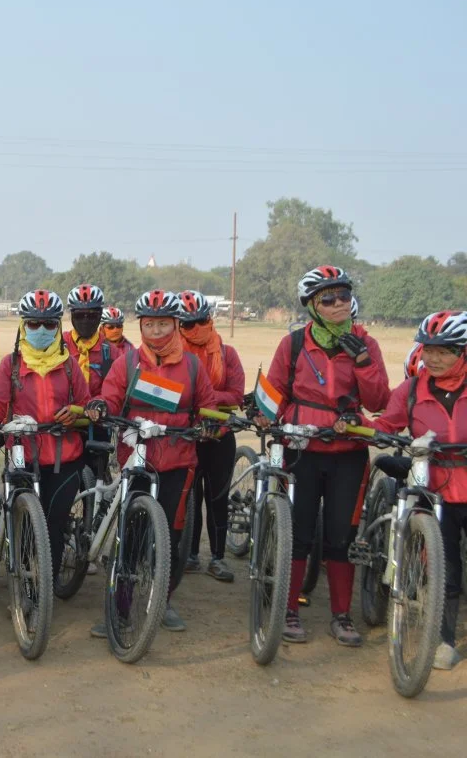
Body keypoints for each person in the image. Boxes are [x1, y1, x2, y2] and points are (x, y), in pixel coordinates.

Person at [257, 266, 389, 647]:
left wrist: (363, 362)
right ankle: (290, 611)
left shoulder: (366, 343)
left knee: (340, 536)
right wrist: (261, 417)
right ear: (312, 306)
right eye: (327, 299)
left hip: (348, 453)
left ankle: (341, 616)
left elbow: (379, 402)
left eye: (343, 297)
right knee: (296, 534)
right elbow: (276, 391)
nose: (337, 305)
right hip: (302, 450)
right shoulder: (294, 344)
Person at [86, 289, 217, 632]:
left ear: (175, 324)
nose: (157, 331)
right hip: (137, 460)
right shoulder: (127, 362)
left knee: (169, 538)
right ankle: (121, 608)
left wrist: (209, 423)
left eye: (163, 324)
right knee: (130, 534)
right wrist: (101, 407)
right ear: (141, 326)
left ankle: (164, 599)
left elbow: (207, 405)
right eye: (150, 324)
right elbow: (111, 395)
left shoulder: (191, 365)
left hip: (177, 460)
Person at [0, 289, 91, 601]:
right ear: (23, 326)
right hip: (22, 455)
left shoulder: (69, 365)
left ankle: (44, 591)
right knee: (26, 525)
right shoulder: (10, 365)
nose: (42, 331)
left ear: (58, 327)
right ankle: (24, 575)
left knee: (54, 527)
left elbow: (87, 405)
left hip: (65, 458)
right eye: (34, 324)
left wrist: (77, 414)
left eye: (50, 325)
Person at [369, 311, 467, 671]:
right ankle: (443, 642)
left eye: (446, 351)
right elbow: (386, 424)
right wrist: (359, 424)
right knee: (446, 571)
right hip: (434, 491)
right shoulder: (411, 390)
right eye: (429, 350)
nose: (435, 358)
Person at [178, 291, 245, 582]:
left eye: (201, 321)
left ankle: (217, 558)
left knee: (217, 497)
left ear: (210, 319)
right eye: (189, 324)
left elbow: (237, 394)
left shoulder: (227, 354)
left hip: (220, 435)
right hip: (187, 435)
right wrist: (207, 399)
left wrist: (201, 397)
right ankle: (190, 555)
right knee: (189, 496)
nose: (196, 328)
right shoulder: (173, 355)